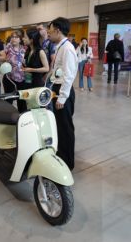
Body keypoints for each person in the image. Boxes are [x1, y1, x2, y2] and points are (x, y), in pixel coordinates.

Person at [47, 17, 78, 170]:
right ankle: (61, 155)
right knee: (60, 125)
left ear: (57, 30)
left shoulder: (67, 48)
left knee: (65, 127)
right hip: (57, 89)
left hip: (63, 91)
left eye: (50, 31)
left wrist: (63, 96)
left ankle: (67, 162)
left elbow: (69, 74)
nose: (48, 34)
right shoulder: (61, 46)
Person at [3, 30, 27, 112]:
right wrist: (3, 58)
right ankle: (8, 118)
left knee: (22, 100)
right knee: (9, 99)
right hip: (9, 78)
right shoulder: (8, 47)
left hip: (22, 78)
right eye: (12, 37)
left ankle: (22, 117)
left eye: (16, 37)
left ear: (20, 39)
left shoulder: (25, 49)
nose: (14, 39)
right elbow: (1, 56)